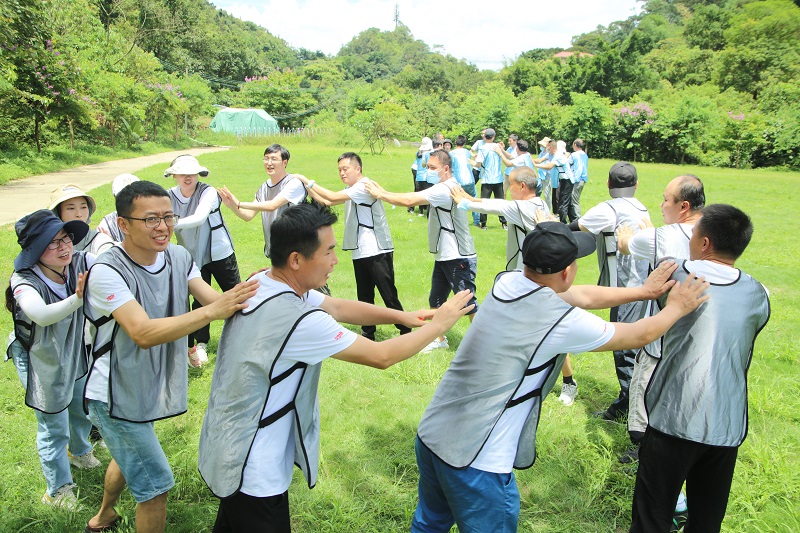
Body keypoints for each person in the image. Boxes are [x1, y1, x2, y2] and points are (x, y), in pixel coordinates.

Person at [411, 222, 710, 533]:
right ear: (567, 271)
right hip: (476, 459)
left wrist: (644, 291)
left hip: (433, 434)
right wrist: (677, 307)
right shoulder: (557, 320)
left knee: (429, 524)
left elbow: (581, 295)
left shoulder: (508, 282)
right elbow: (637, 334)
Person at [197, 202, 474, 532]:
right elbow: (380, 356)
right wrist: (438, 326)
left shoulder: (264, 283)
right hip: (255, 464)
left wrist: (401, 316)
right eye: (328, 251)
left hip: (228, 440)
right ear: (296, 259)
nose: (335, 259)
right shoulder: (299, 321)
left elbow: (337, 306)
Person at [82, 181, 258, 533]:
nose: (163, 227)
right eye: (150, 219)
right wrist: (214, 312)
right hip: (112, 393)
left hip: (144, 383)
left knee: (128, 453)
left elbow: (213, 299)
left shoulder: (178, 257)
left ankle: (102, 519)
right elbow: (143, 333)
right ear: (123, 224)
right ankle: (104, 518)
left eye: (168, 217)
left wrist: (265, 293)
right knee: (156, 485)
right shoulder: (106, 271)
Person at [630, 204, 769, 533]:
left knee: (651, 518)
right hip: (727, 424)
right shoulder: (758, 293)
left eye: (694, 234)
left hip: (672, 418)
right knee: (707, 522)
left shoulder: (675, 272)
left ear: (705, 243)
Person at [6, 210, 101, 510]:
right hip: (39, 359)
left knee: (79, 405)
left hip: (71, 349)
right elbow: (41, 315)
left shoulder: (79, 262)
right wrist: (78, 298)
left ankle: (79, 451)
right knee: (52, 423)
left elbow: (113, 262)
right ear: (35, 251)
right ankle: (57, 490)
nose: (64, 247)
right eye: (53, 242)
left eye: (67, 239)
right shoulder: (23, 279)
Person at [616, 174, 705, 464]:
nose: (661, 204)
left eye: (666, 200)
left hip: (661, 334)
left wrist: (628, 236)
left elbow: (627, 244)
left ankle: (645, 451)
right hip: (700, 334)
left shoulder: (658, 237)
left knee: (644, 389)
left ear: (683, 206)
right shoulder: (711, 232)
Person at [367, 149, 479, 353]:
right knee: (436, 298)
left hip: (458, 256)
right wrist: (383, 191)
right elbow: (410, 195)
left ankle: (483, 344)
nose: (428, 171)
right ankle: (439, 338)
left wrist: (380, 194)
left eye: (432, 168)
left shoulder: (444, 189)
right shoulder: (444, 186)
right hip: (445, 255)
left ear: (446, 169)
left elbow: (410, 200)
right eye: (427, 167)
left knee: (468, 303)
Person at [295, 152, 411, 340]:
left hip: (377, 249)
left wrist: (307, 181)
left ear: (358, 169)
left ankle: (406, 329)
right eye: (339, 170)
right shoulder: (352, 189)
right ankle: (367, 334)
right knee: (364, 296)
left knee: (388, 294)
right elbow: (327, 201)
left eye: (345, 169)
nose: (342, 173)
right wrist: (307, 188)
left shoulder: (364, 186)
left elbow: (331, 196)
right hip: (361, 250)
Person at [572, 161, 650, 422]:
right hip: (645, 285)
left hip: (625, 289)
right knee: (637, 348)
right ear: (636, 185)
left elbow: (580, 226)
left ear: (608, 184)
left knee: (625, 350)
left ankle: (629, 409)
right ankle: (629, 403)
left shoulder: (608, 209)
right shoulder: (641, 208)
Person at [165, 154, 241, 368]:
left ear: (198, 174)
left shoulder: (207, 192)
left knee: (235, 293)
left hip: (219, 252)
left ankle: (243, 337)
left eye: (191, 173)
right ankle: (201, 344)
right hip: (192, 256)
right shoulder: (169, 196)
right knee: (199, 300)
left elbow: (199, 218)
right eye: (182, 173)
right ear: (174, 175)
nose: (187, 177)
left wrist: (169, 224)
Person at [217, 144, 307, 259]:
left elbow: (272, 205)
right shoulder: (264, 187)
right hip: (275, 251)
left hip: (295, 250)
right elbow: (248, 216)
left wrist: (239, 203)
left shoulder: (293, 183)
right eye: (266, 158)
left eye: (274, 159)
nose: (269, 163)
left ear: (285, 163)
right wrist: (232, 205)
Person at [49, 184, 114, 255]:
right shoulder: (47, 243)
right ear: (57, 213)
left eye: (83, 207)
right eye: (71, 208)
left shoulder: (98, 240)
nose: (79, 214)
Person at [533, 140, 574, 223]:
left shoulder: (558, 155)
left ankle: (563, 223)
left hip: (568, 180)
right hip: (562, 180)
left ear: (551, 147)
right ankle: (572, 220)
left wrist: (535, 165)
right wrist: (528, 158)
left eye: (547, 147)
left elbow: (549, 166)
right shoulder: (551, 154)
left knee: (563, 203)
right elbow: (539, 160)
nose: (546, 148)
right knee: (566, 202)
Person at [474, 128, 506, 229]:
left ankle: (483, 224)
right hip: (498, 179)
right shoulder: (498, 147)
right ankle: (504, 223)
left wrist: (472, 162)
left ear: (485, 136)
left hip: (487, 179)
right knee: (500, 202)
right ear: (493, 137)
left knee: (484, 202)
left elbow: (478, 165)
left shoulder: (482, 148)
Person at [97, 174, 140, 242]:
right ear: (115, 197)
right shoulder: (107, 224)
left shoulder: (154, 218)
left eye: (134, 197)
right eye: (123, 197)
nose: (129, 202)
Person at [449, 135, 481, 226]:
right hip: (469, 180)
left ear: (455, 142)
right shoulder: (467, 152)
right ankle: (476, 221)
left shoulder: (451, 153)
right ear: (464, 143)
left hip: (458, 181)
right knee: (473, 199)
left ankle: (457, 220)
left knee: (457, 200)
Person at [413, 137, 434, 217]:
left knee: (420, 194)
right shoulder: (429, 154)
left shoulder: (417, 153)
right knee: (427, 195)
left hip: (419, 176)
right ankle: (428, 213)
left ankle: (421, 211)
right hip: (426, 177)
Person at [570, 139, 589, 219]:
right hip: (583, 179)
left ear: (575, 145)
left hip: (577, 179)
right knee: (576, 198)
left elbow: (568, 163)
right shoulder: (585, 155)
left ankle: (578, 218)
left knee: (574, 200)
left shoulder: (574, 155)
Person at [535, 137, 552, 205]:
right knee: (536, 193)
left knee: (546, 194)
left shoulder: (548, 154)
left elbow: (543, 163)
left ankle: (548, 211)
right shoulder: (541, 153)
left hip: (546, 175)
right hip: (540, 176)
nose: (541, 146)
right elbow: (538, 160)